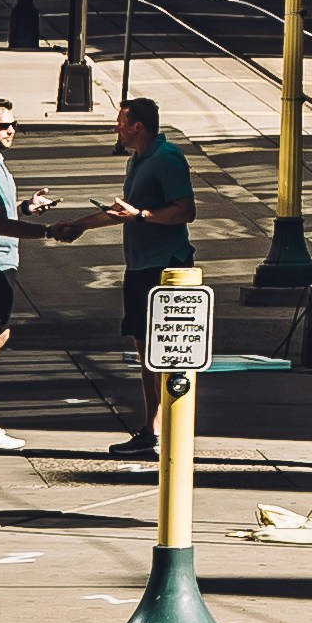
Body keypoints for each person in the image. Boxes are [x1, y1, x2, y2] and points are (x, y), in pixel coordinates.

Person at [0, 94, 94, 451]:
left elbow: (1, 212)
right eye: (2, 125)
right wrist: (49, 232)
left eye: (14, 124)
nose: (11, 131)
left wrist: (28, 206)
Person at [99, 94, 198, 454]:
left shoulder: (167, 158)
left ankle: (164, 429)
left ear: (137, 127)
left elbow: (186, 211)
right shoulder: (138, 159)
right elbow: (126, 211)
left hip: (165, 267)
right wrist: (77, 225)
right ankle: (152, 428)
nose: (116, 129)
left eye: (120, 123)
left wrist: (141, 216)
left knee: (165, 352)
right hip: (140, 265)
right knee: (145, 351)